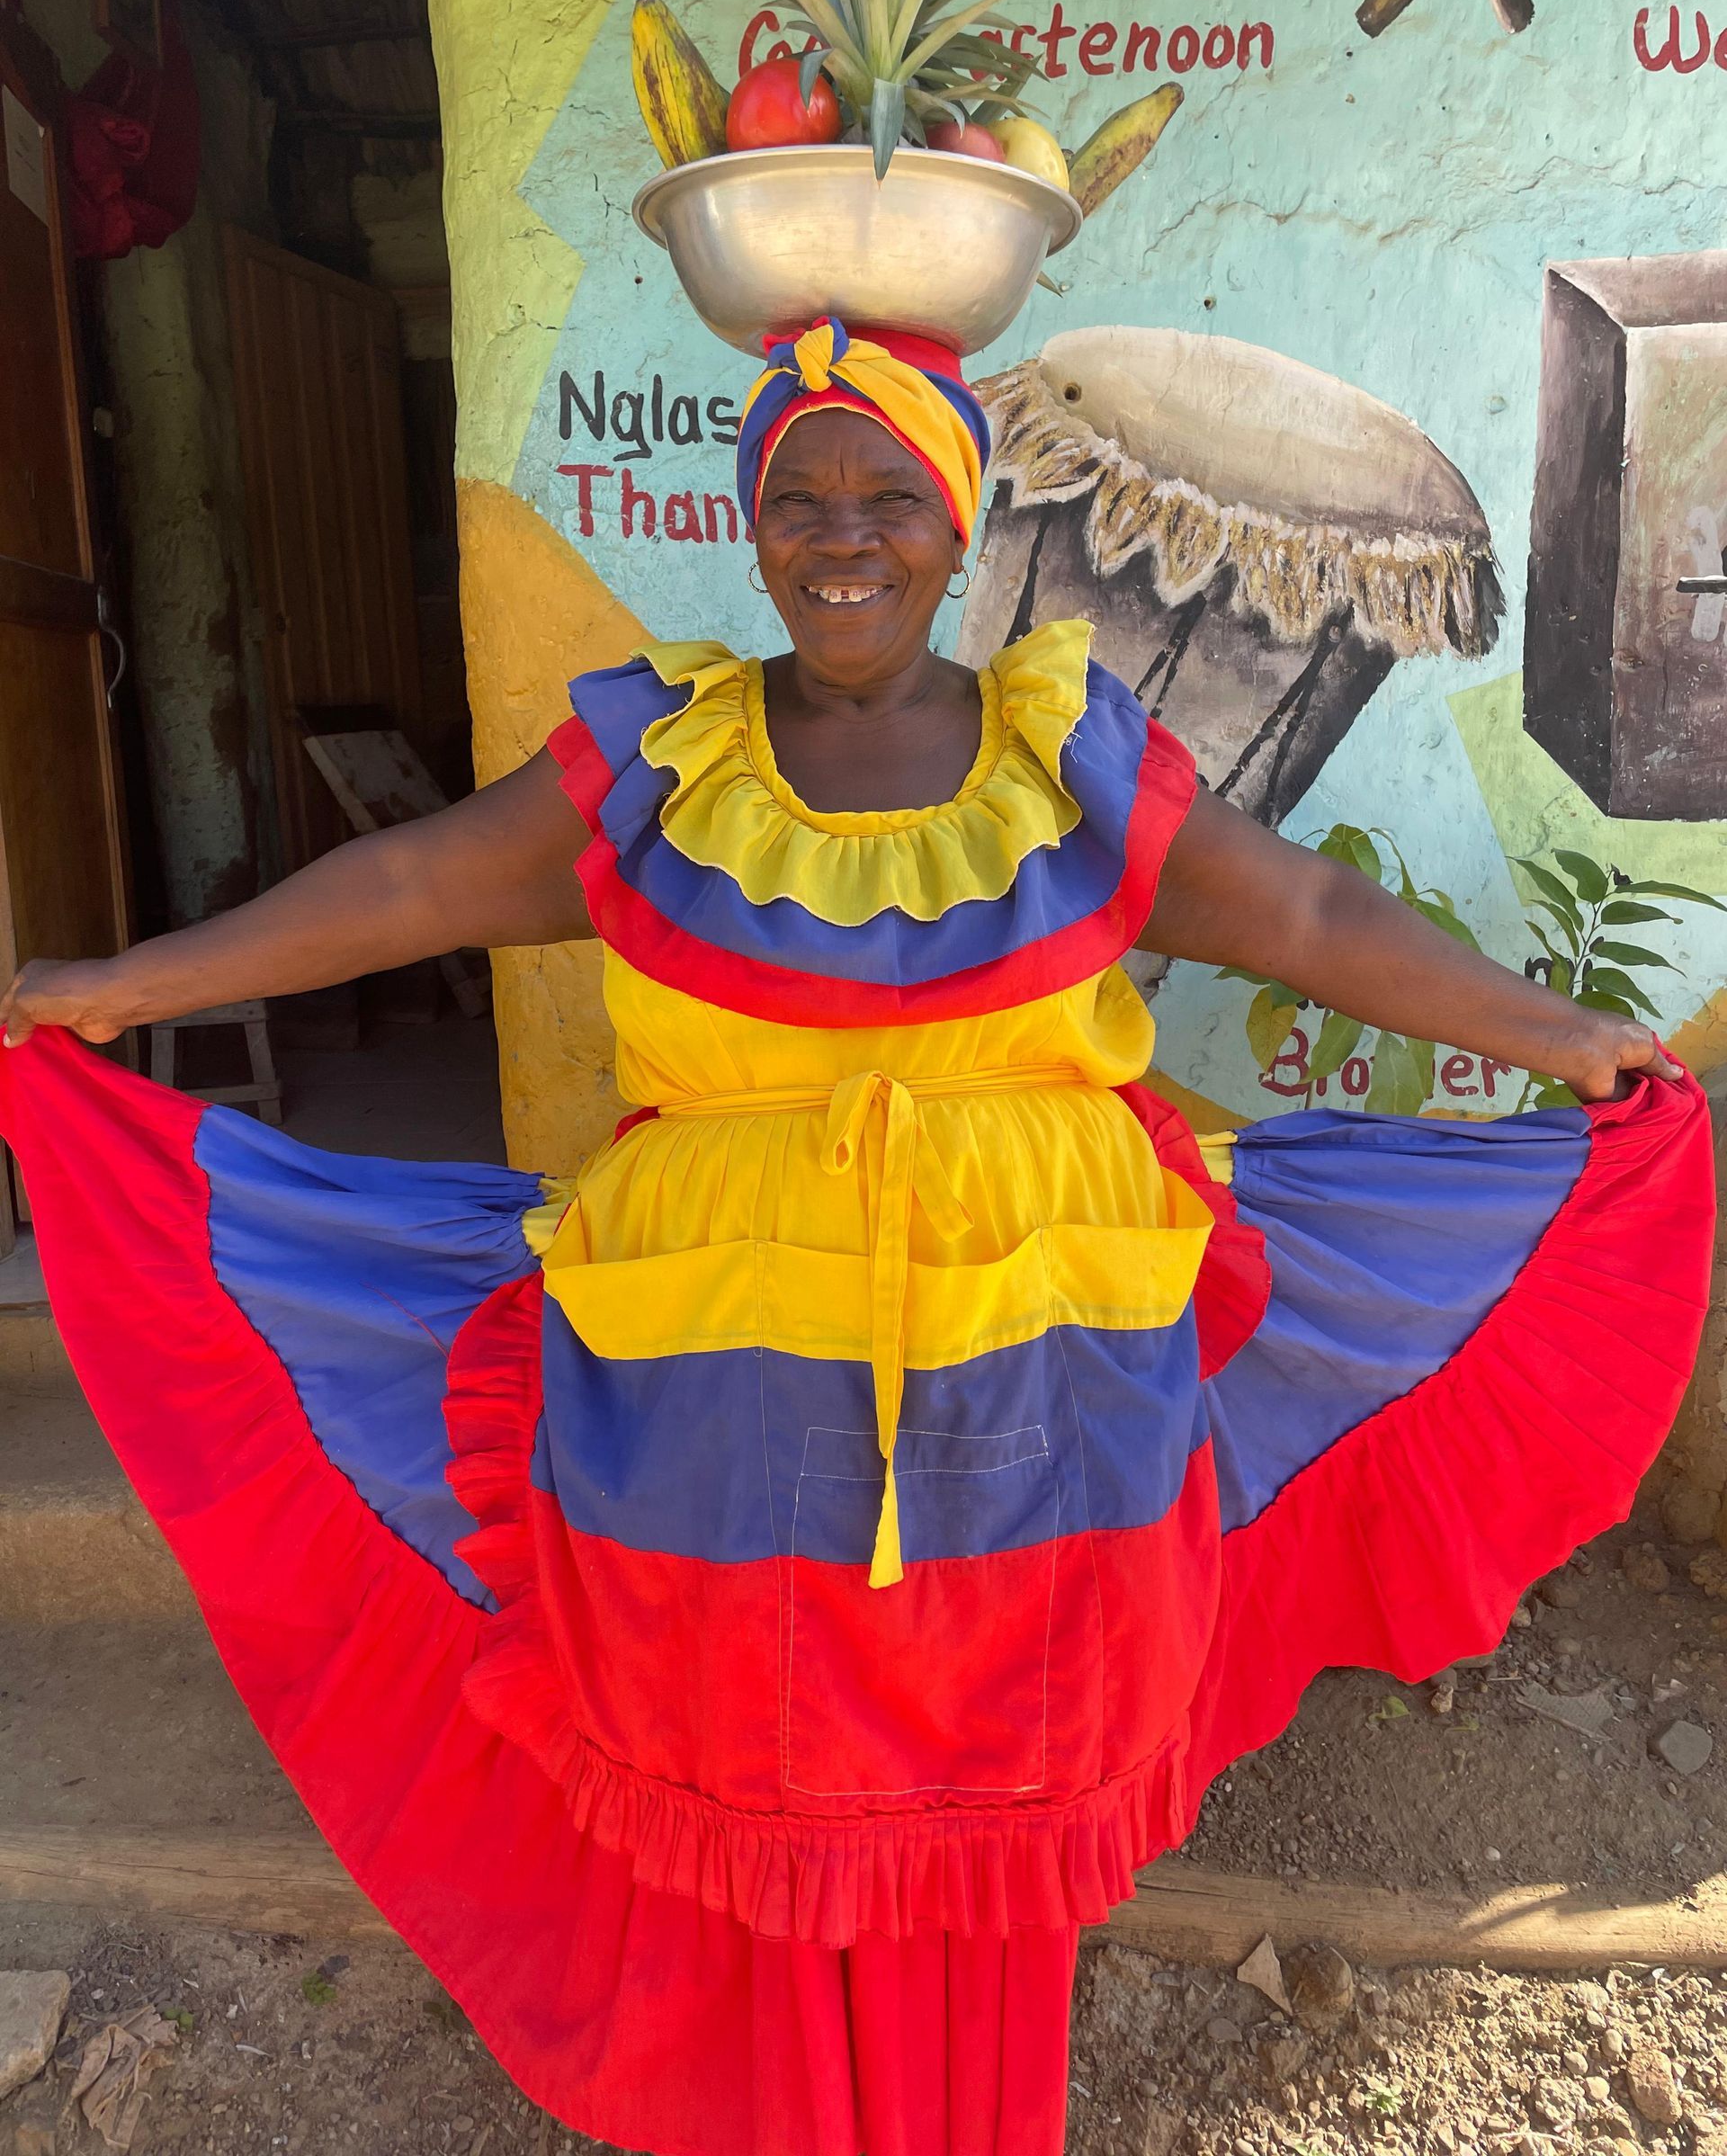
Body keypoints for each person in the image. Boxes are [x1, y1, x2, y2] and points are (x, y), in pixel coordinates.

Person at [0, 318, 1714, 2156]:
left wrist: (1558, 1033)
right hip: (719, 1406)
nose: (847, 535)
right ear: (748, 523)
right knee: (757, 1776)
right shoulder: (657, 762)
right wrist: (125, 978)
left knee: (996, 1797)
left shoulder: (1071, 759)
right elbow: (410, 882)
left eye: (892, 492)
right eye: (799, 493)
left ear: (959, 520)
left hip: (1037, 1409)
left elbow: (1295, 904)